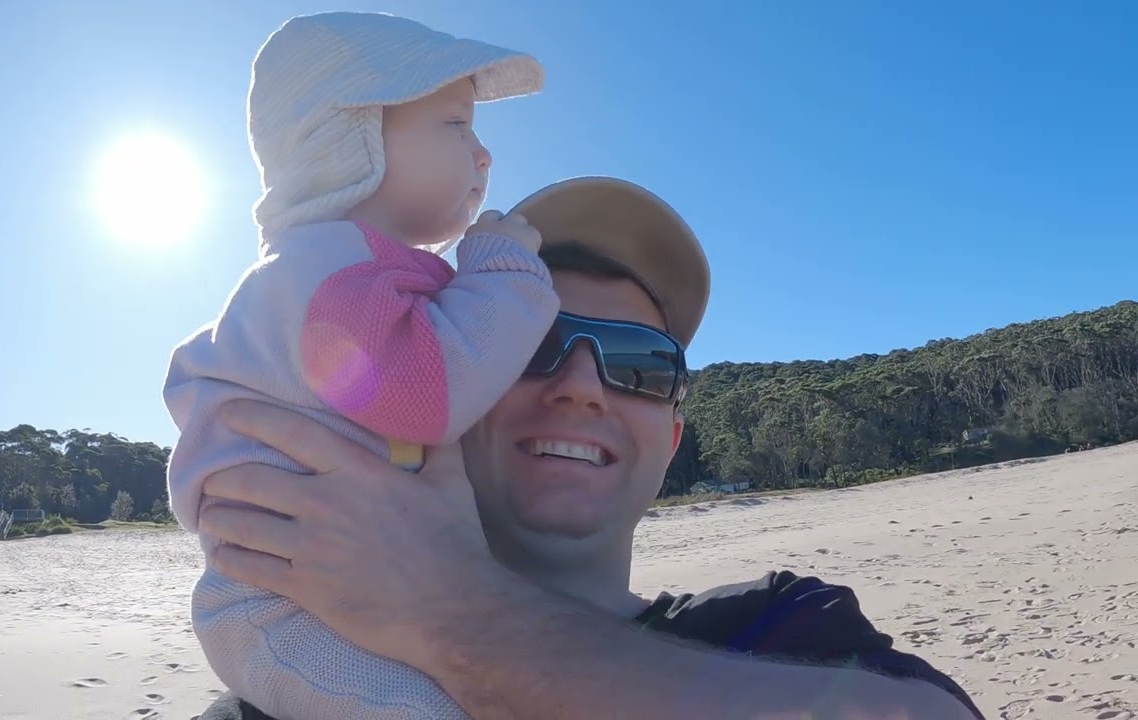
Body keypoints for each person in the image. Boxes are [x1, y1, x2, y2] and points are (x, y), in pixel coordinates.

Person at [189, 175, 987, 719]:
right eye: (531, 340)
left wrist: (456, 616)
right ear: (434, 387)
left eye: (640, 363)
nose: (582, 386)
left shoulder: (781, 629)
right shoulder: (297, 684)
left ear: (671, 439)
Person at [162, 11, 560, 720]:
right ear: (356, 143)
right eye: (456, 125)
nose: (484, 154)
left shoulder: (335, 267)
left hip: (319, 590)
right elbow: (426, 398)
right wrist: (508, 271)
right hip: (280, 608)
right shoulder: (327, 262)